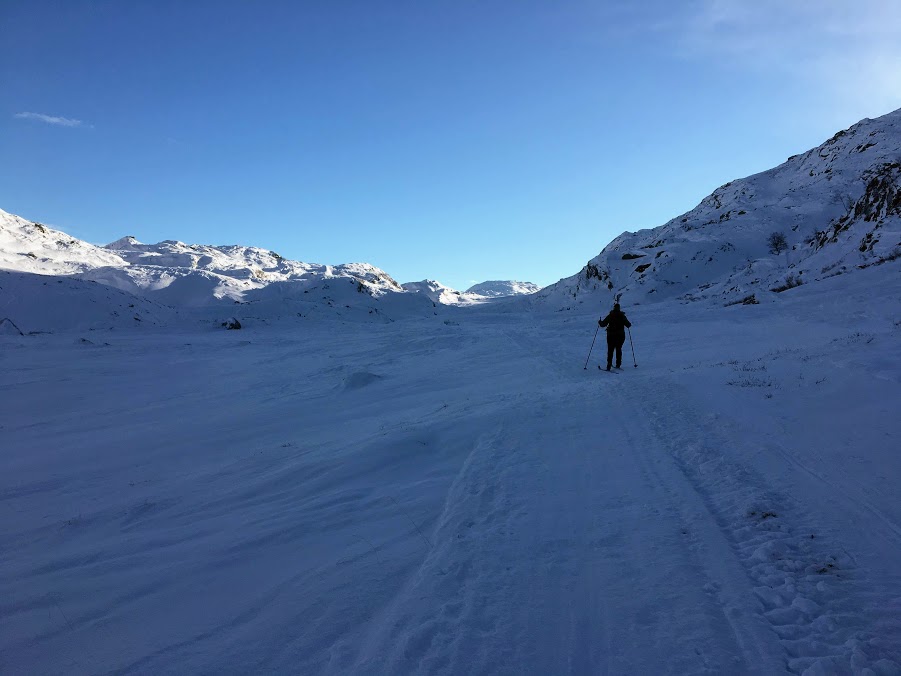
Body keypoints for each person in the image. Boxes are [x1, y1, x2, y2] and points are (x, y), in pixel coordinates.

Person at [598, 303, 632, 370]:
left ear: (614, 308)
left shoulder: (611, 315)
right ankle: (618, 364)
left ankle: (609, 365)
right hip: (621, 336)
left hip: (611, 336)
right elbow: (628, 325)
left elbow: (603, 324)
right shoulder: (622, 316)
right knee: (618, 349)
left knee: (610, 350)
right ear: (619, 308)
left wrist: (600, 322)